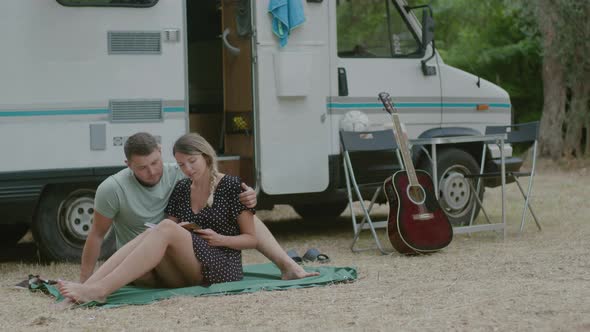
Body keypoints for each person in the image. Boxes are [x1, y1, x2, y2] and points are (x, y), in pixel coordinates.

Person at [80, 132, 317, 287]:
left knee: (243, 217)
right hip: (149, 260)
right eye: (142, 168)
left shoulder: (182, 172)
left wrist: (248, 196)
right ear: (128, 165)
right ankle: (90, 287)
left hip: (195, 256)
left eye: (155, 163)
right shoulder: (113, 188)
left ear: (161, 153)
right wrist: (84, 277)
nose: (152, 171)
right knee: (158, 232)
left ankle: (289, 266)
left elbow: (220, 184)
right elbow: (97, 235)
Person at [58, 133, 260, 303]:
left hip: (223, 268)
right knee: (153, 231)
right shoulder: (182, 186)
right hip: (189, 267)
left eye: (192, 162)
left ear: (206, 157)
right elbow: (166, 229)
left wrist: (220, 239)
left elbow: (253, 238)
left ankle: (100, 289)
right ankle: (89, 286)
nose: (188, 169)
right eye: (182, 164)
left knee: (162, 228)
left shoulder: (232, 186)